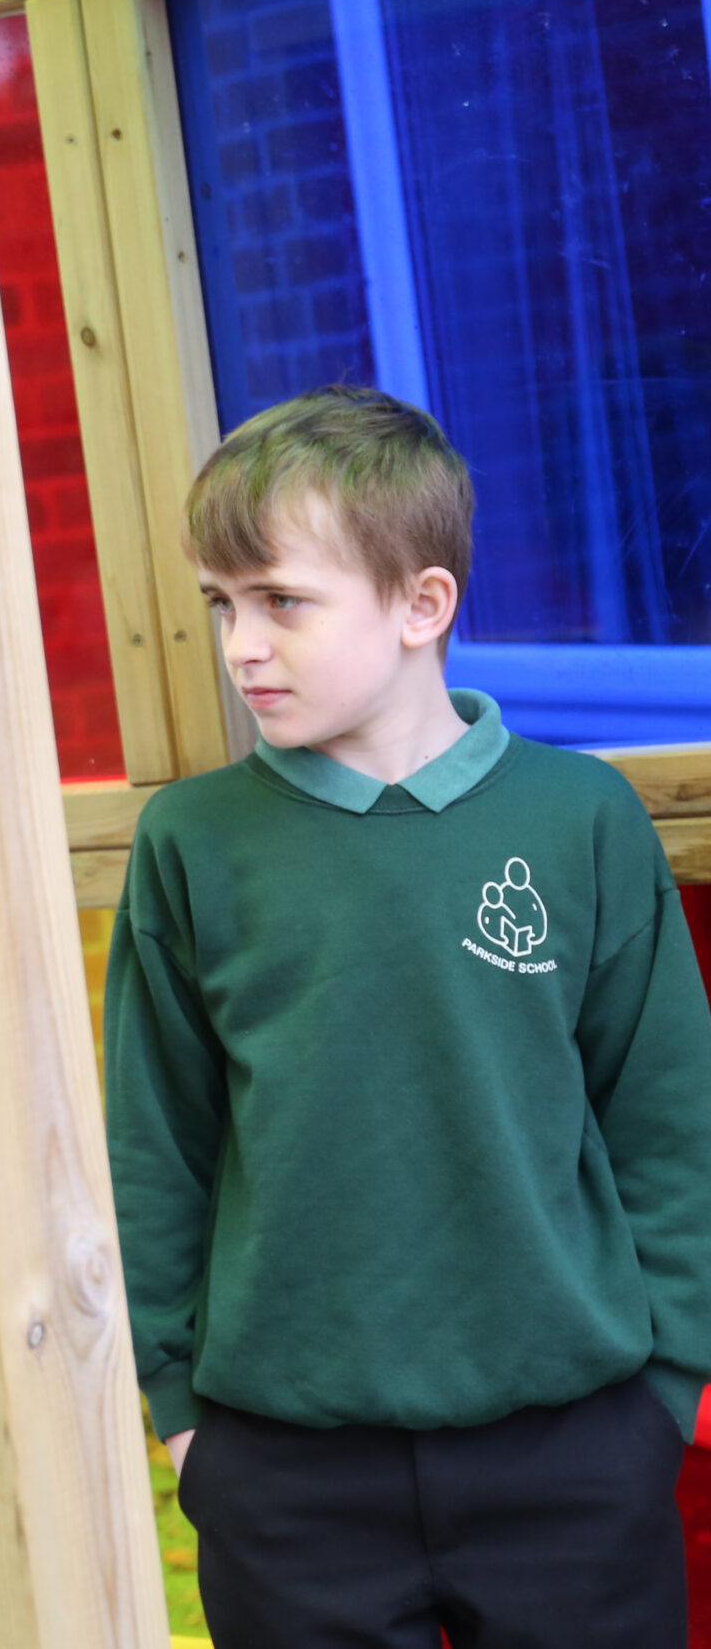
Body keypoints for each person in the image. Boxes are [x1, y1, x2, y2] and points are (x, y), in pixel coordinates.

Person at [106, 386, 711, 1646]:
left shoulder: (577, 821)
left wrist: (660, 1396)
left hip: (574, 1460)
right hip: (285, 1478)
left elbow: (669, 1127)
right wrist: (181, 1418)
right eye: (222, 604)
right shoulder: (193, 845)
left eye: (281, 601)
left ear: (421, 606)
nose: (240, 646)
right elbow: (153, 1147)